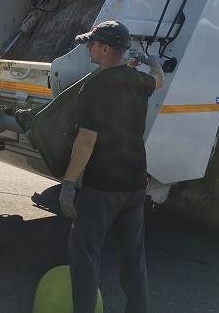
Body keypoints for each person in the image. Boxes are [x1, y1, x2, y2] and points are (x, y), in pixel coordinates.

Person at [58, 20, 164, 313]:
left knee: (85, 257)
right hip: (135, 184)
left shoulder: (94, 87)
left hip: (102, 187)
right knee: (133, 258)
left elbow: (86, 140)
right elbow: (159, 81)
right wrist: (153, 63)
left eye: (91, 44)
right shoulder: (138, 81)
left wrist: (68, 183)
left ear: (105, 49)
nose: (88, 48)